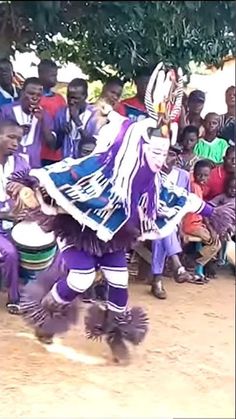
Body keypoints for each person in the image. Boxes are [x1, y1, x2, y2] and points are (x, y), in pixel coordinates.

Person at [8, 63, 234, 363]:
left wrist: (211, 212)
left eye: (164, 151)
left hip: (114, 236)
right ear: (139, 145)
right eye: (154, 150)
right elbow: (63, 174)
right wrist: (30, 187)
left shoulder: (153, 180)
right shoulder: (104, 166)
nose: (159, 157)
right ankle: (46, 315)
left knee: (119, 281)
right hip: (79, 230)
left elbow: (178, 196)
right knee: (81, 278)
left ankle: (116, 336)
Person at [151, 146, 192, 299]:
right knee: (161, 228)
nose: (166, 158)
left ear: (177, 158)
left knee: (161, 233)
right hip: (148, 219)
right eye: (163, 154)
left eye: (171, 155)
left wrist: (181, 227)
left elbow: (184, 203)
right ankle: (177, 266)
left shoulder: (184, 176)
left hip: (171, 220)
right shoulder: (151, 173)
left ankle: (157, 279)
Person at [0, 120, 30, 314]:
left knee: (32, 248)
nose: (15, 143)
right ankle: (14, 297)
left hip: (13, 222)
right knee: (10, 252)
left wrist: (26, 189)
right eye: (10, 137)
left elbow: (35, 187)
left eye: (18, 139)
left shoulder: (20, 163)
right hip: (5, 220)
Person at [0, 77, 55, 168]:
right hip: (8, 166)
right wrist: (16, 132)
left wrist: (43, 121)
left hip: (33, 167)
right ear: (22, 93)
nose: (34, 98)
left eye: (39, 95)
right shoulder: (6, 111)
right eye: (31, 93)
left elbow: (52, 144)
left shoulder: (44, 114)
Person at [182, 160, 221, 282]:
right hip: (191, 224)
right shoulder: (195, 187)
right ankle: (192, 261)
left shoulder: (198, 186)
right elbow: (201, 209)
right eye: (200, 175)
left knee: (214, 241)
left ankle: (192, 261)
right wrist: (209, 228)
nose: (202, 177)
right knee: (216, 243)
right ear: (194, 173)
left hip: (195, 223)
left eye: (206, 175)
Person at [38, 59, 66, 166]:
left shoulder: (60, 99)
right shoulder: (34, 98)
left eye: (56, 75)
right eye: (52, 75)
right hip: (38, 152)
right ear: (41, 74)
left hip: (56, 153)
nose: (55, 79)